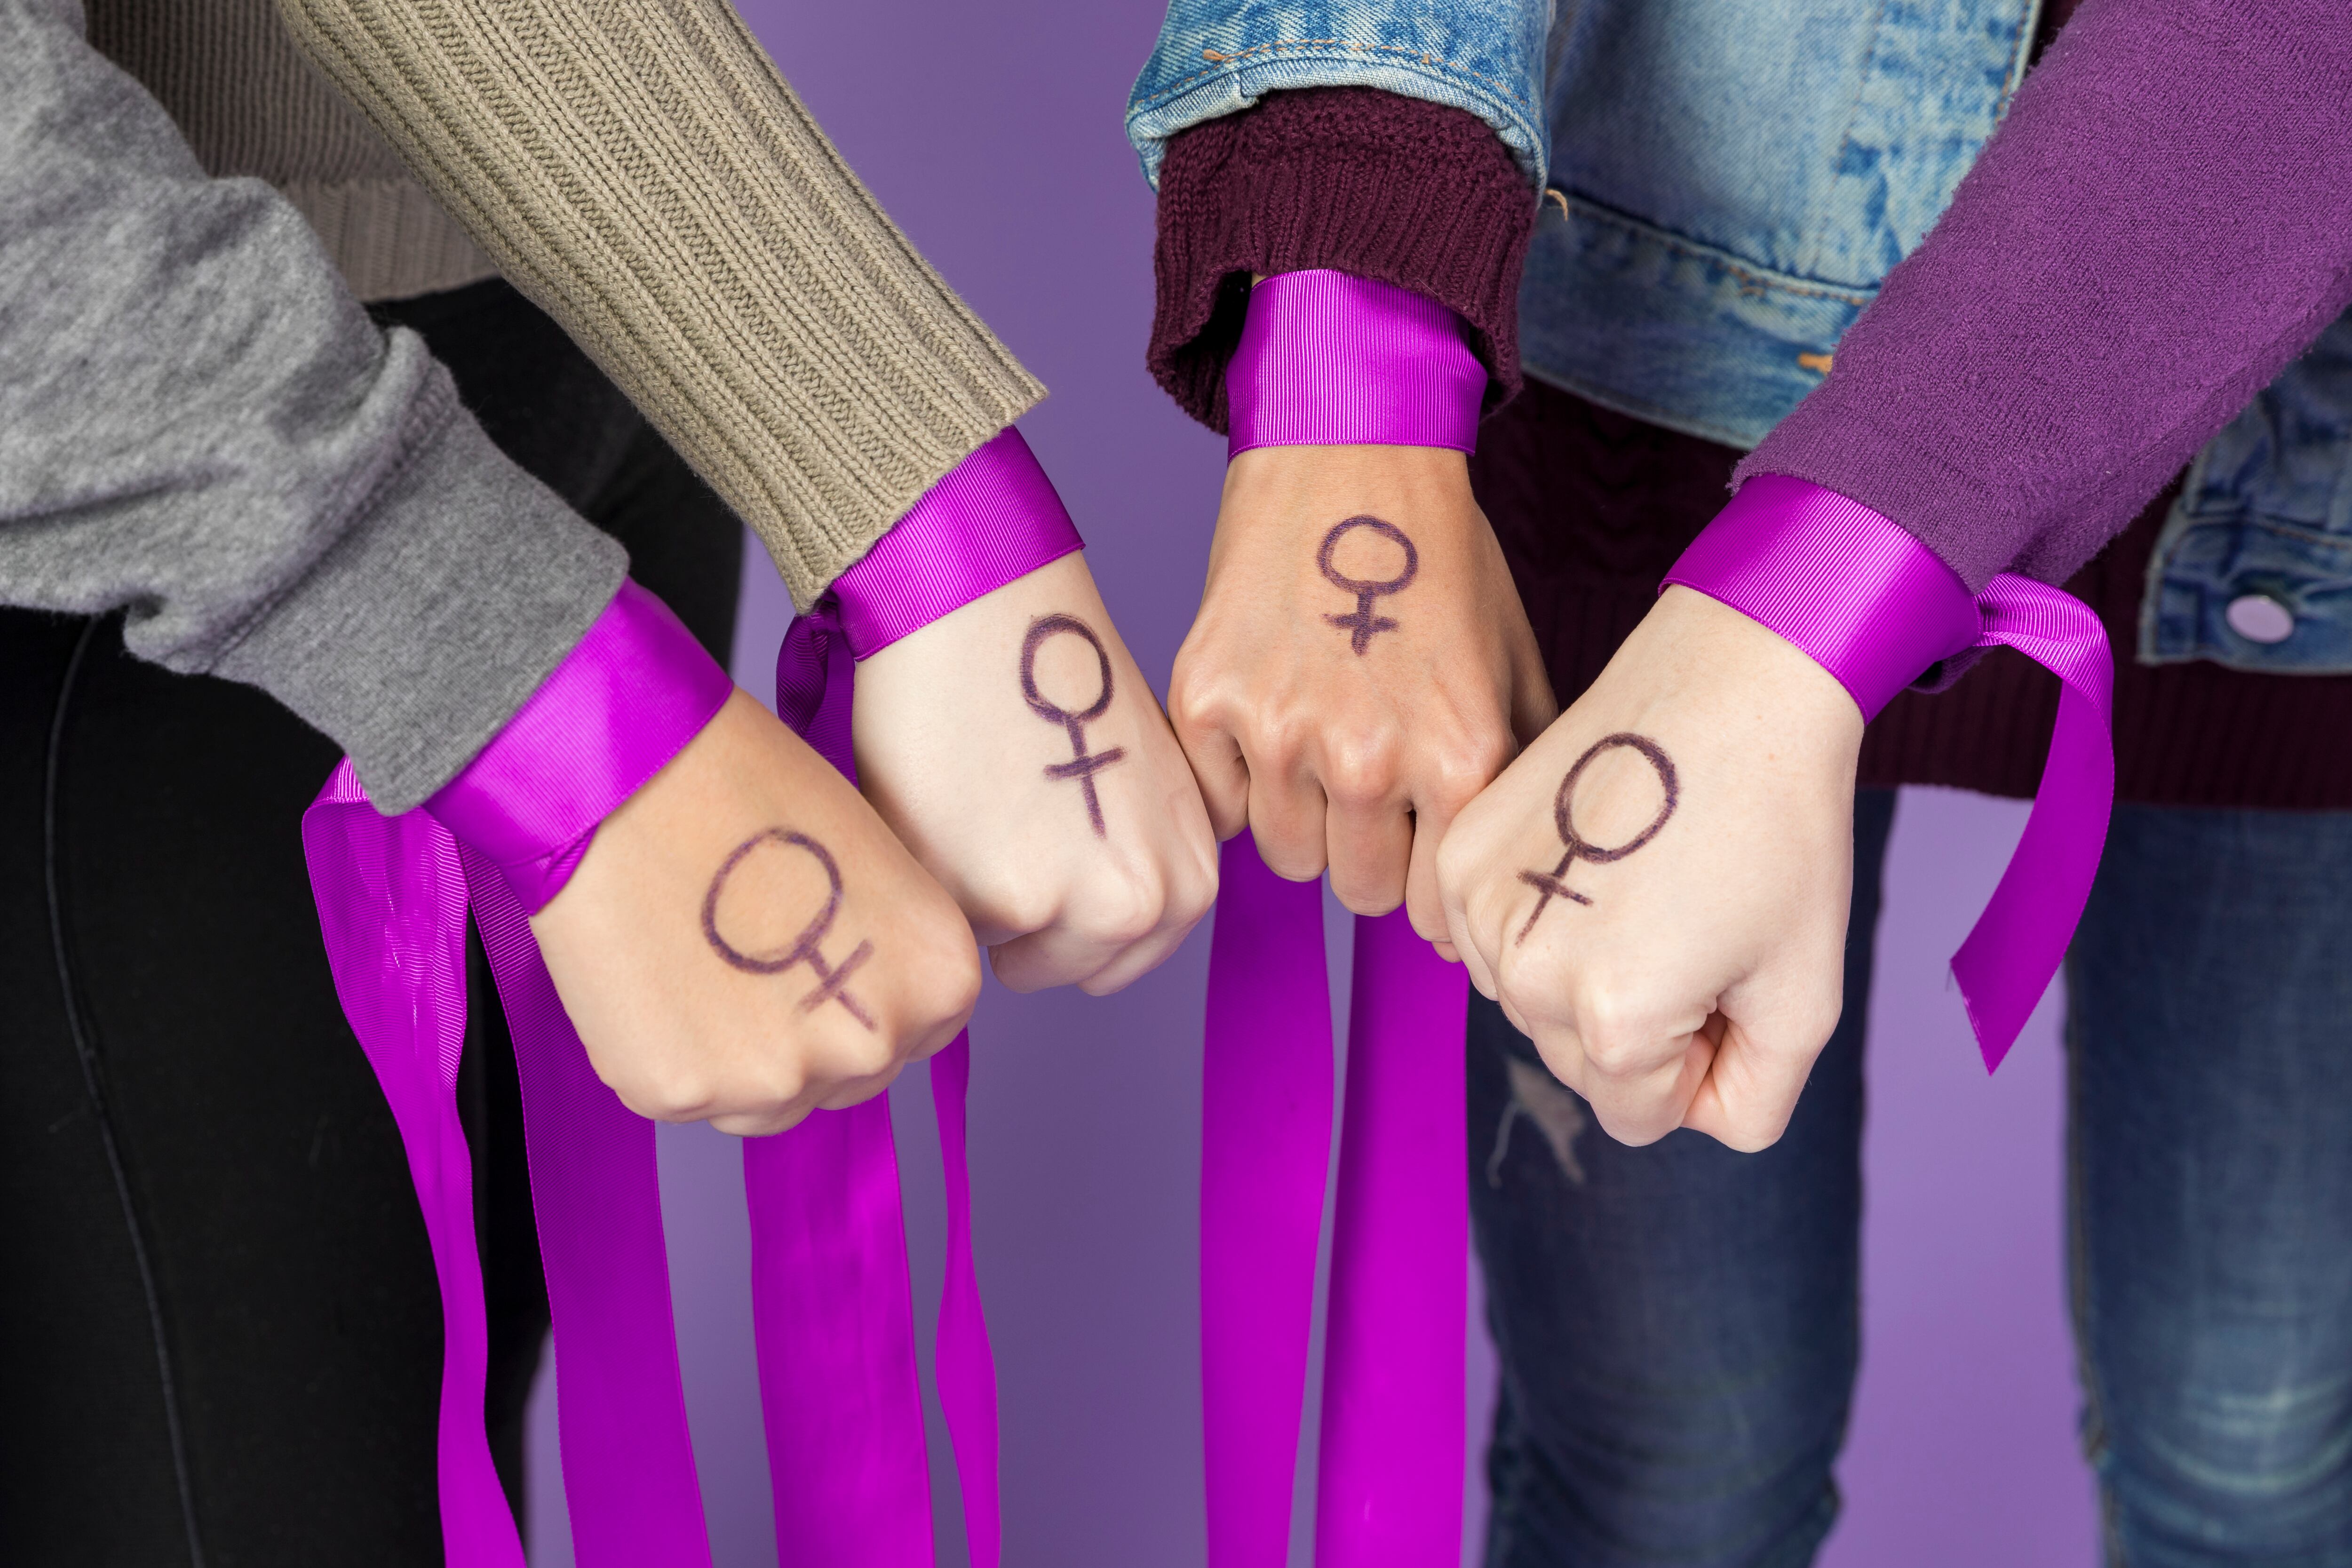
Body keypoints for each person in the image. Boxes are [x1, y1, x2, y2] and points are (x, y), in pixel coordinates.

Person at [1126, 0, 2352, 1561]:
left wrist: (1822, 589)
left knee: (2261, 1447)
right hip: (1656, 420)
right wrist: (1347, 354)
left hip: (2302, 555)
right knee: (1669, 1461)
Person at [1, 0, 1216, 1559]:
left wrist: (908, 490)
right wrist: (536, 701)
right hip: (155, 465)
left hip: (569, 320)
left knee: (449, 1433)